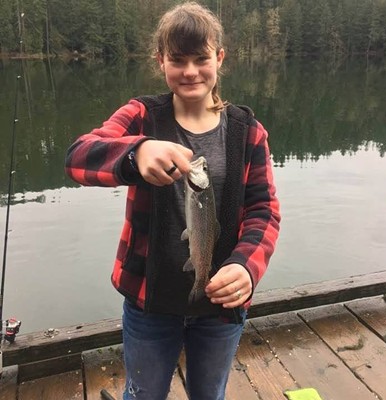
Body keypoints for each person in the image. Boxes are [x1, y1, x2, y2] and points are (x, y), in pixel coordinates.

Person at [65, 2, 280, 399]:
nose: (191, 71)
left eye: (201, 58)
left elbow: (263, 211)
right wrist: (135, 153)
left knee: (209, 394)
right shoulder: (142, 115)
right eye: (178, 60)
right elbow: (78, 157)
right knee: (143, 394)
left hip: (221, 303)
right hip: (149, 300)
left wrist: (246, 268)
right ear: (160, 60)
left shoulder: (248, 131)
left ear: (219, 58)